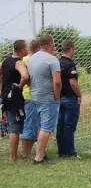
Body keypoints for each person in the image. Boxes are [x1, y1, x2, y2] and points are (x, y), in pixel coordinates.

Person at [27, 34, 61, 164]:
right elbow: (57, 82)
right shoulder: (52, 60)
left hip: (34, 97)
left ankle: (40, 153)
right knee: (46, 128)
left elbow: (29, 79)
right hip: (48, 98)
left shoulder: (31, 59)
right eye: (53, 43)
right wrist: (57, 97)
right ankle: (39, 158)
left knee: (40, 127)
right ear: (50, 44)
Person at [1, 39, 29, 162]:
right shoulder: (19, 63)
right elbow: (25, 76)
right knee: (14, 128)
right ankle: (13, 158)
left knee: (14, 125)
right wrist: (21, 85)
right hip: (14, 97)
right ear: (22, 49)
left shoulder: (5, 61)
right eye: (26, 47)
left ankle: (14, 156)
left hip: (5, 96)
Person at [56, 40, 81, 159]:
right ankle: (70, 152)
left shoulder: (57, 62)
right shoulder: (70, 64)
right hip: (70, 98)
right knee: (69, 126)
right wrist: (79, 94)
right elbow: (73, 83)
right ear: (71, 49)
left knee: (60, 126)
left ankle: (61, 151)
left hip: (59, 98)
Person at [20, 39, 40, 158]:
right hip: (30, 95)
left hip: (24, 94)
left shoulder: (23, 60)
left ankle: (28, 151)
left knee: (31, 123)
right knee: (29, 123)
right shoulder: (33, 60)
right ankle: (25, 153)